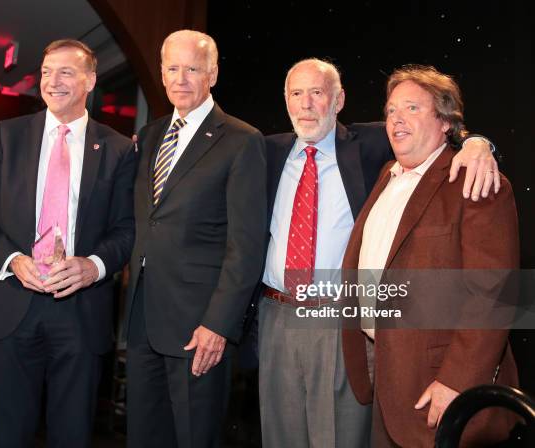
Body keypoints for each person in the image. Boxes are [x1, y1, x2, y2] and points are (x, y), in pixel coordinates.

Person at [257, 59, 501, 448]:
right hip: (281, 317)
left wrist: (479, 144)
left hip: (344, 323)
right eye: (296, 94)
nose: (306, 105)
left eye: (317, 93)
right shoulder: (265, 151)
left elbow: (495, 295)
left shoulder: (374, 147)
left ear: (338, 101)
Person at [0, 39, 136, 448]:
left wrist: (93, 265)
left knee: (72, 435)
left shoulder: (119, 149)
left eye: (66, 72)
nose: (52, 82)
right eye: (45, 72)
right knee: (7, 434)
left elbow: (127, 229)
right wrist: (13, 259)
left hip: (80, 313)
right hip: (9, 304)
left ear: (90, 80)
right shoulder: (8, 136)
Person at [341, 65, 519, 447]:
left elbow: (494, 296)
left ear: (445, 122)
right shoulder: (387, 174)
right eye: (390, 110)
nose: (396, 119)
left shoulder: (475, 181)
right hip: (385, 379)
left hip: (441, 390)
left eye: (412, 108)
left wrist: (458, 380)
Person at [124, 30, 266, 448]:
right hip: (143, 322)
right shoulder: (149, 137)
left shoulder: (242, 140)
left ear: (213, 74)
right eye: (172, 68)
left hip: (198, 330)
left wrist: (218, 324)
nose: (180, 78)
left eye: (192, 68)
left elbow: (247, 245)